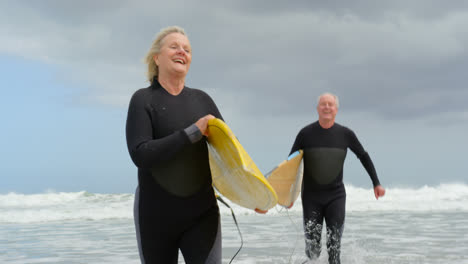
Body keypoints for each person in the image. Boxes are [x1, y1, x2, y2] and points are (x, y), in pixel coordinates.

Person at [126, 26, 223, 264]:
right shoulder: (143, 100)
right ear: (157, 58)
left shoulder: (203, 100)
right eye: (174, 46)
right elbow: (141, 153)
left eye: (187, 49)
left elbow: (230, 155)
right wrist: (192, 133)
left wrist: (254, 196)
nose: (182, 51)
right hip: (155, 218)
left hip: (202, 215)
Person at [289, 93, 385, 264]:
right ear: (317, 108)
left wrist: (376, 183)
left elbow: (363, 156)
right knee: (313, 249)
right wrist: (287, 195)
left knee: (334, 246)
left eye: (330, 104)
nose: (327, 107)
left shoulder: (345, 134)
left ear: (336, 109)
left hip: (336, 196)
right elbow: (290, 164)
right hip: (311, 197)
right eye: (323, 104)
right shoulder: (305, 133)